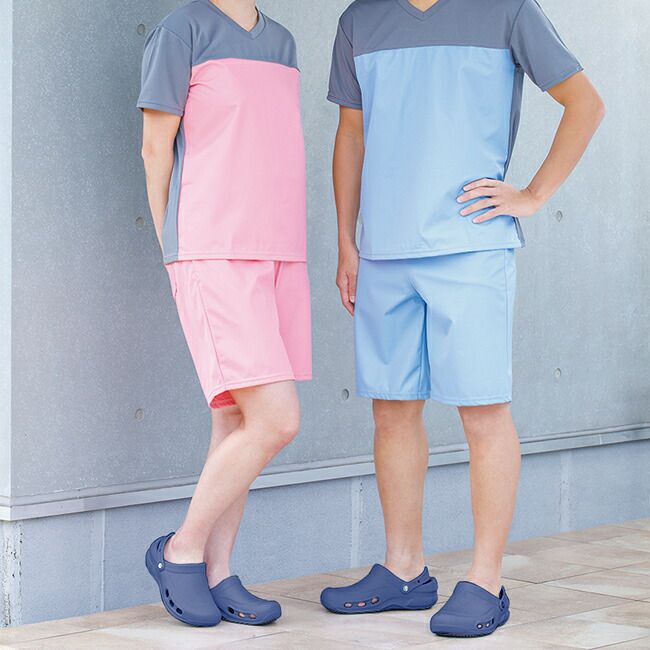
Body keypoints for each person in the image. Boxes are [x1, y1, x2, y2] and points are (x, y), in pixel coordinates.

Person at [321, 0, 604, 638]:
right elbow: (351, 133)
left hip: (471, 249)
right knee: (391, 409)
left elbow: (585, 103)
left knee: (482, 413)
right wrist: (345, 239)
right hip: (384, 252)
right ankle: (403, 570)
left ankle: (484, 581)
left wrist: (533, 194)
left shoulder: (507, 10)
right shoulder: (358, 22)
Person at [137, 0, 311, 628]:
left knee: (236, 416)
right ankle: (180, 550)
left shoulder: (283, 42)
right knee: (277, 419)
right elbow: (155, 148)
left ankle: (219, 570)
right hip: (213, 248)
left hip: (280, 249)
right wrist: (174, 248)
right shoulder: (181, 31)